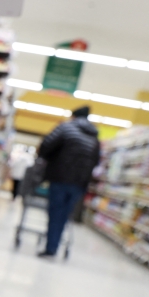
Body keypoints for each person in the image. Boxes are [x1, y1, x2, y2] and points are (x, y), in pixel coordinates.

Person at [37, 105, 101, 257]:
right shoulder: (94, 137)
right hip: (79, 183)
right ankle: (54, 243)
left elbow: (46, 145)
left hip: (60, 178)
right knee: (64, 215)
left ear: (74, 116)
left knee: (55, 212)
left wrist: (48, 162)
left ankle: (51, 247)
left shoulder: (66, 128)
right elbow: (96, 161)